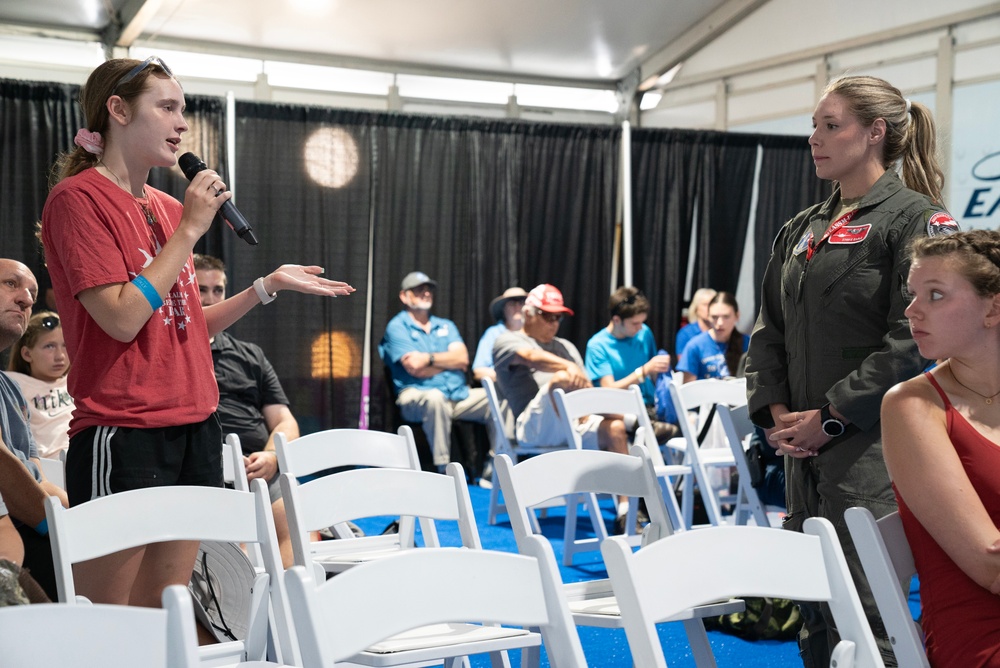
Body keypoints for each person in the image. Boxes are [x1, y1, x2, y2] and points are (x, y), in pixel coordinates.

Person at [39, 56, 354, 609]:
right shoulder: (79, 200)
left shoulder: (165, 205)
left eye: (183, 109)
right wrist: (188, 230)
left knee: (167, 607)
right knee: (106, 622)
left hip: (196, 427)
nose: (183, 124)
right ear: (117, 110)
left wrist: (264, 287)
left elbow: (181, 327)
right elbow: (120, 317)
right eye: (167, 108)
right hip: (125, 428)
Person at [744, 74, 957, 666]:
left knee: (870, 613)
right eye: (814, 125)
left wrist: (833, 417)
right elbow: (768, 330)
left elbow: (917, 338)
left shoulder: (917, 221)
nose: (814, 137)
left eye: (830, 125)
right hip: (800, 451)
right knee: (814, 613)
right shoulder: (803, 228)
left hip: (872, 450)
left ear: (874, 132)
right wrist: (775, 413)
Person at [882, 230, 1000, 667]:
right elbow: (992, 567)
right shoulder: (911, 405)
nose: (912, 311)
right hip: (978, 635)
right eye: (913, 295)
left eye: (935, 295)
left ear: (994, 307)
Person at [493, 284, 633, 531]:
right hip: (532, 428)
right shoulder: (506, 340)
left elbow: (588, 387)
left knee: (616, 428)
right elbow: (530, 357)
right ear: (529, 313)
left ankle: (626, 511)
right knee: (561, 380)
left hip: (573, 423)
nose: (554, 323)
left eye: (558, 317)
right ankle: (637, 419)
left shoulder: (565, 346)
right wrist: (569, 368)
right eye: (548, 316)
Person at [194, 253, 303, 568]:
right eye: (201, 289)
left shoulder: (250, 355)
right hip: (203, 469)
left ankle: (284, 607)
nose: (211, 298)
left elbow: (284, 421)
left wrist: (271, 457)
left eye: (218, 290)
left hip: (260, 466)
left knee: (293, 522)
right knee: (233, 551)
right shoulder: (170, 352)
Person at [0, 258, 69, 601]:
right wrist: (62, 525)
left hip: (38, 522)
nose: (26, 298)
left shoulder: (8, 390)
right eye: (11, 284)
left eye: (31, 292)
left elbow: (35, 473)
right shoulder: (18, 382)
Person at [379, 271, 489, 471]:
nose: (426, 294)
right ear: (404, 296)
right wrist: (448, 361)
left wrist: (428, 359)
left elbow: (463, 359)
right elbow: (414, 368)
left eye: (428, 290)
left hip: (456, 394)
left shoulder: (445, 325)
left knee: (494, 398)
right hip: (415, 395)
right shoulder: (397, 326)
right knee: (435, 398)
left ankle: (499, 462)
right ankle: (444, 469)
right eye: (419, 290)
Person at [584, 286, 676, 442]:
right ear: (616, 320)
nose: (640, 327)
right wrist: (643, 372)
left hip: (651, 407)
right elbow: (608, 389)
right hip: (623, 411)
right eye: (635, 323)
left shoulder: (644, 333)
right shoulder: (597, 345)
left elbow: (653, 373)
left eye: (642, 322)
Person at [6, 311, 75, 460]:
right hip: (41, 466)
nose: (60, 356)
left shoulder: (77, 381)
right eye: (49, 346)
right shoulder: (12, 384)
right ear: (27, 354)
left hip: (80, 459)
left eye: (65, 345)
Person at [677, 292, 749, 383]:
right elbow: (687, 389)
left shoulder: (749, 343)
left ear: (737, 316)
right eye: (714, 317)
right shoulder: (695, 346)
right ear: (708, 317)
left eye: (726, 316)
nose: (720, 323)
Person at [472, 287, 527, 384]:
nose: (517, 307)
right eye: (512, 303)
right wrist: (511, 380)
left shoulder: (536, 333)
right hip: (503, 389)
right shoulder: (493, 333)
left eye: (521, 303)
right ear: (503, 309)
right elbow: (479, 370)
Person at [674, 287, 716, 367]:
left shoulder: (722, 331)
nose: (709, 308)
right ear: (696, 308)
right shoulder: (685, 334)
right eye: (705, 304)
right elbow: (685, 365)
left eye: (712, 304)